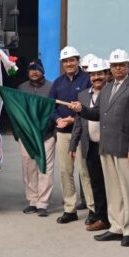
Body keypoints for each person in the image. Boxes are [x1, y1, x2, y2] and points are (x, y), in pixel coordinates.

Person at [69, 49, 129, 247]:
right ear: (110, 68)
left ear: (128, 66)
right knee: (113, 190)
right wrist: (82, 109)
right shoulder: (107, 88)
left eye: (121, 65)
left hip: (125, 147)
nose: (118, 68)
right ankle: (116, 226)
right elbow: (97, 113)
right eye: (114, 65)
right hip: (107, 146)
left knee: (128, 190)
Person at [48, 46, 93, 224]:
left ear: (78, 61)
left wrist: (73, 119)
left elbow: (91, 106)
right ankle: (70, 209)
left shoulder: (87, 79)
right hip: (63, 133)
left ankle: (93, 209)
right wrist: (58, 119)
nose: (69, 64)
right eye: (65, 61)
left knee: (84, 171)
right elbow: (50, 105)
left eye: (72, 60)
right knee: (65, 171)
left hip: (81, 133)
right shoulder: (58, 82)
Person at [70, 58, 110, 231]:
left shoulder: (111, 92)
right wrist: (73, 144)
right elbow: (79, 122)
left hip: (109, 146)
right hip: (91, 145)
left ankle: (116, 218)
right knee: (96, 183)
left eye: (100, 74)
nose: (96, 78)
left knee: (112, 184)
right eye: (93, 75)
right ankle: (101, 217)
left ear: (107, 74)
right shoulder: (83, 95)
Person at [17, 59, 56, 217]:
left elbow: (55, 108)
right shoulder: (21, 88)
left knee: (45, 168)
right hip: (27, 136)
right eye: (31, 69)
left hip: (47, 135)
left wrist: (54, 131)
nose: (34, 72)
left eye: (37, 69)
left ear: (42, 71)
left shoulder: (51, 87)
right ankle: (33, 201)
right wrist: (18, 133)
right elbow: (16, 110)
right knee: (29, 168)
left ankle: (43, 203)